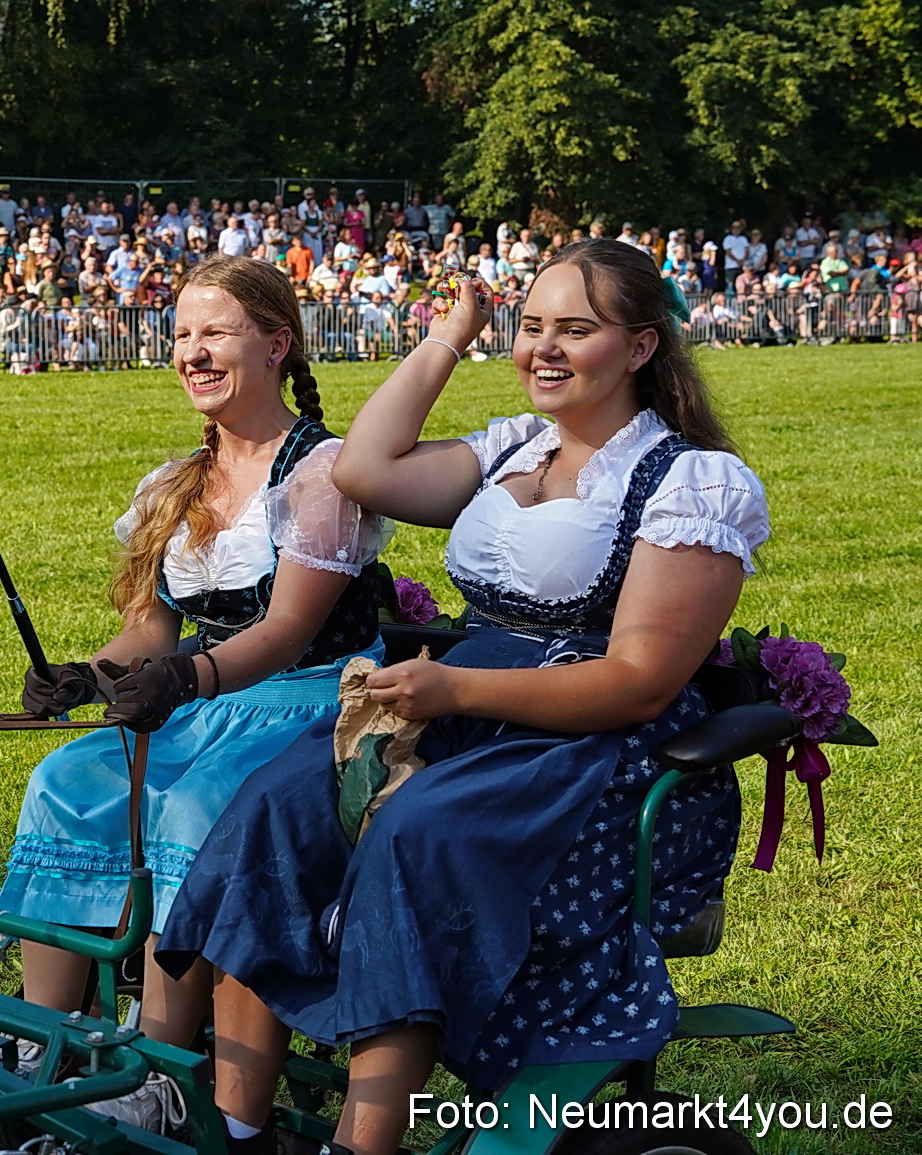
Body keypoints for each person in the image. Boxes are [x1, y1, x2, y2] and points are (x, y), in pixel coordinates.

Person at [157, 240, 769, 1155]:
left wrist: (452, 687)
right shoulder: (514, 445)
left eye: (577, 329)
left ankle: (363, 1143)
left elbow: (639, 682)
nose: (544, 350)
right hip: (465, 706)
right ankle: (239, 1127)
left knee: (416, 833)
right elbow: (362, 467)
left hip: (584, 744)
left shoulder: (689, 482)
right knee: (275, 806)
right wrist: (451, 335)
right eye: (532, 328)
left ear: (641, 349)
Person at [0, 256, 391, 1133]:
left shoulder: (322, 476)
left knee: (196, 806)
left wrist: (184, 680)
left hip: (314, 703)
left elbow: (286, 633)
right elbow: (150, 633)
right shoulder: (173, 482)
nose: (192, 352)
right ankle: (44, 1044)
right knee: (65, 783)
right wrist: (87, 675)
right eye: (181, 334)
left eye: (215, 332)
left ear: (277, 345)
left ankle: (160, 1071)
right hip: (207, 700)